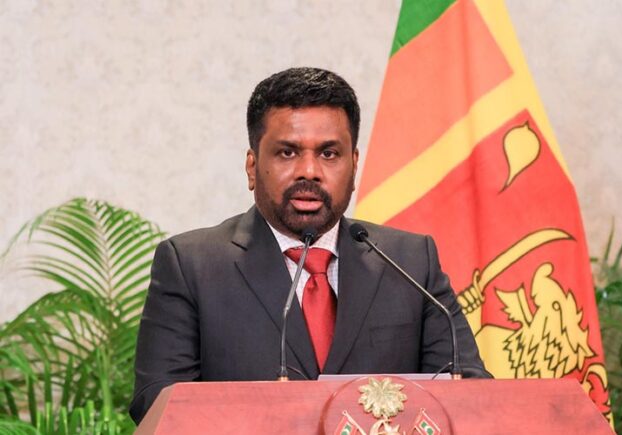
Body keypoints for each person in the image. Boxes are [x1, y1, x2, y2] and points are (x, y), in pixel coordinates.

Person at [129, 67, 490, 424]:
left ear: (354, 165)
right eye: (287, 153)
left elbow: (472, 398)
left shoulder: (410, 263)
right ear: (252, 167)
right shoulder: (192, 266)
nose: (309, 171)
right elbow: (159, 407)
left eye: (329, 153)